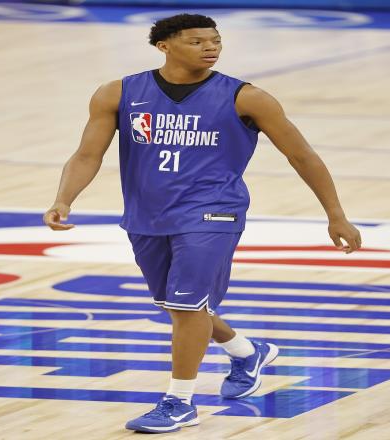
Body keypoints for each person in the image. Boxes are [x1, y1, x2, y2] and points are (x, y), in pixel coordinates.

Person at [43, 13, 362, 434]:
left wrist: (335, 214)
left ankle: (179, 402)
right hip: (147, 216)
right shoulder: (118, 93)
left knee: (186, 306)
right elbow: (88, 154)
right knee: (179, 306)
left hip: (214, 212)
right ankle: (246, 351)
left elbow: (302, 155)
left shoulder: (248, 98)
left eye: (215, 40)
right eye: (197, 41)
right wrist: (64, 199)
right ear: (164, 46)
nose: (210, 47)